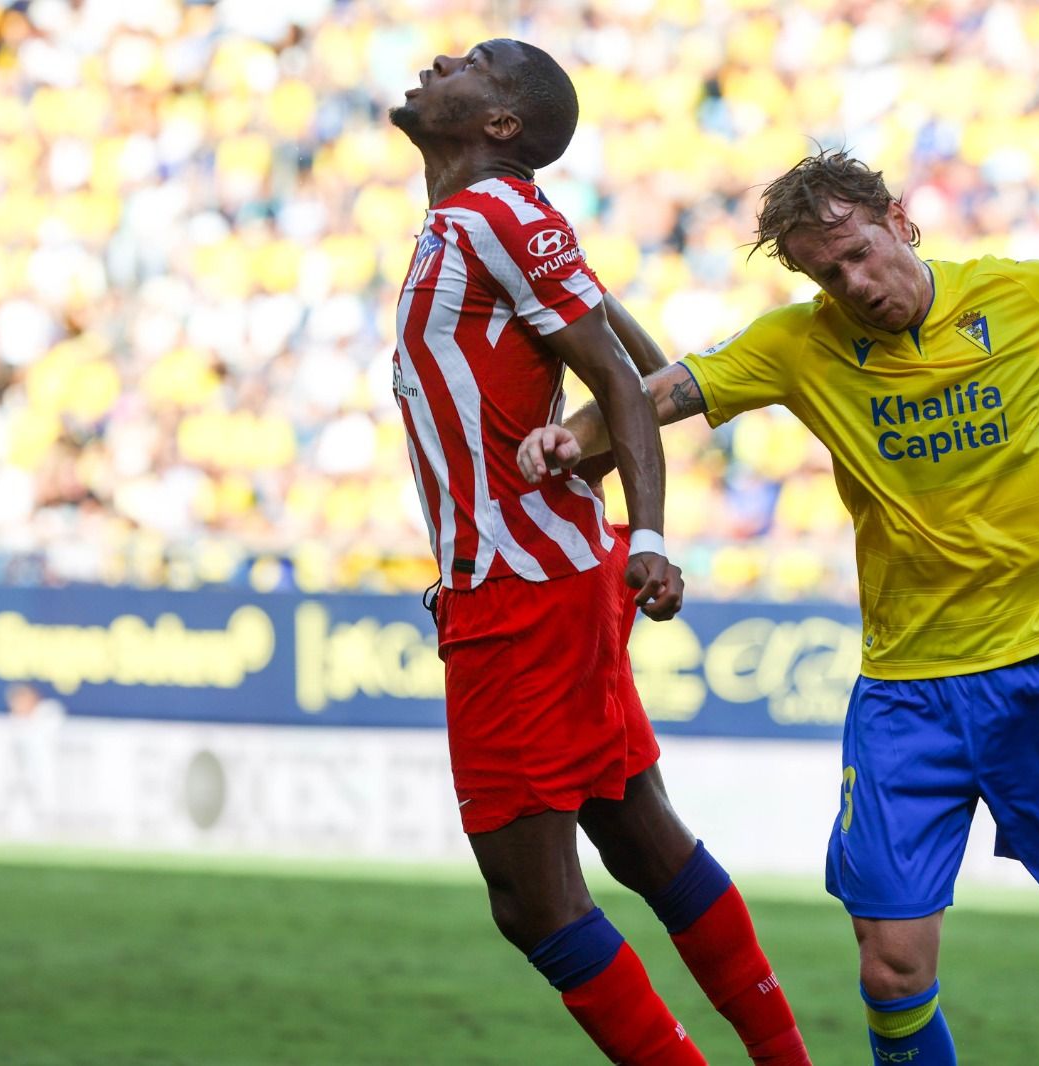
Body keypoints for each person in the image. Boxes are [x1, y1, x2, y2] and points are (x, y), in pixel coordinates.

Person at [519, 149, 1039, 1066]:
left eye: (859, 252)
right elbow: (656, 397)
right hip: (906, 690)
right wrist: (568, 438)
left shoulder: (1027, 294)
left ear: (899, 220)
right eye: (826, 273)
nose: (854, 284)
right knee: (889, 971)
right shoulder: (798, 344)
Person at [386, 40, 812, 1066]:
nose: (444, 55)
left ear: (500, 125)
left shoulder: (497, 214)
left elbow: (628, 386)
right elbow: (650, 362)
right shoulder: (492, 222)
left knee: (533, 901)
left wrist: (654, 535)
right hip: (547, 573)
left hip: (523, 589)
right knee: (634, 831)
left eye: (476, 61)